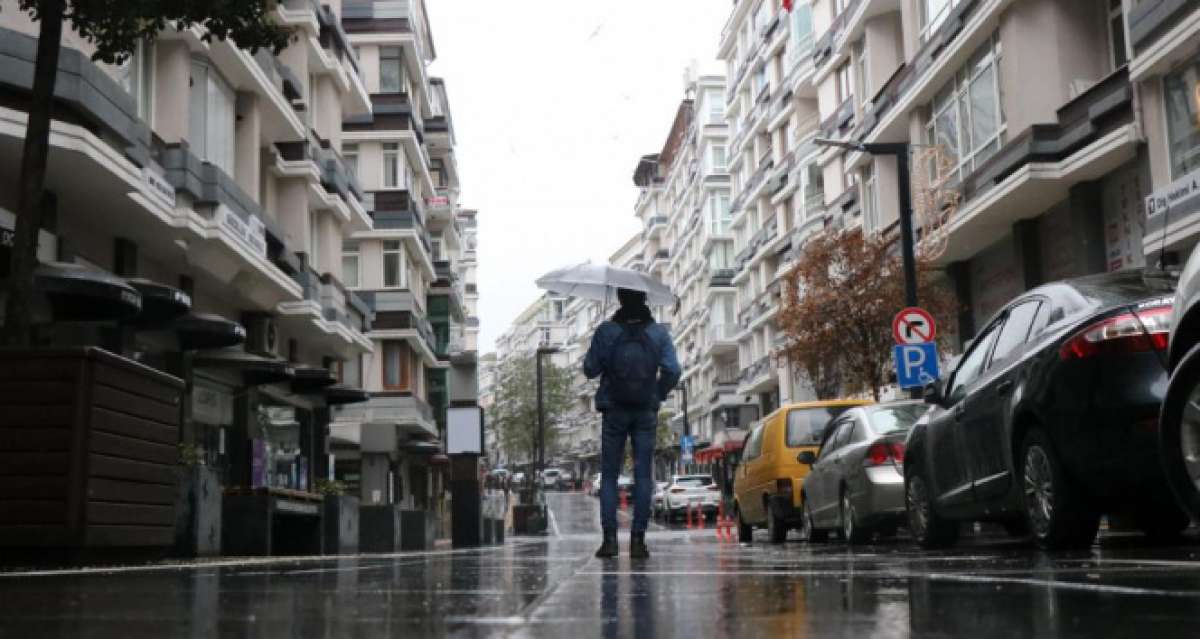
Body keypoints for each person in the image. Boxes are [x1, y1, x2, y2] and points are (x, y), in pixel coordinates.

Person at [584, 287, 681, 559]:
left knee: (610, 476)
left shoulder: (607, 331)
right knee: (642, 476)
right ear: (644, 299)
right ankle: (638, 541)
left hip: (614, 409)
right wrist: (657, 393)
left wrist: (604, 351)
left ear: (620, 299)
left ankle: (610, 541)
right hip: (645, 411)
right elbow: (673, 370)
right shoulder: (659, 333)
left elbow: (589, 369)